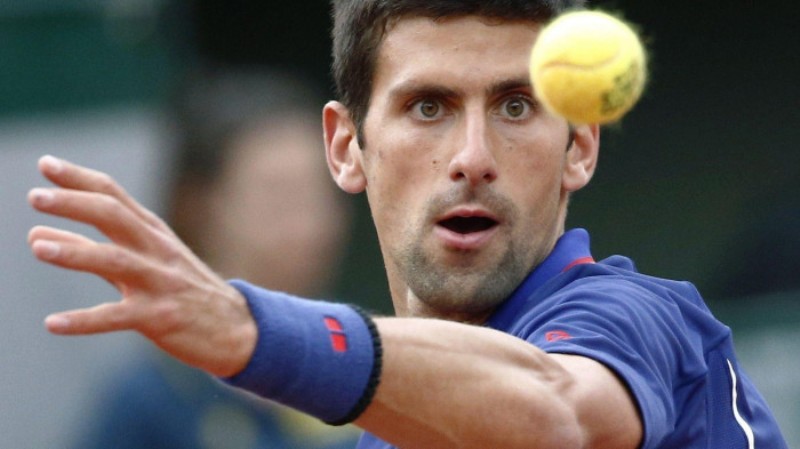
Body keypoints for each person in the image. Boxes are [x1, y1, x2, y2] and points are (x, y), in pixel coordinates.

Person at [28, 1, 788, 448]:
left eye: (515, 106)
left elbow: (552, 414)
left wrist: (248, 329)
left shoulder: (642, 319)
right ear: (346, 147)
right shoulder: (392, 429)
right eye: (428, 107)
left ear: (579, 147)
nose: (472, 158)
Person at [69, 68, 359, 449]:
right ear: (199, 206)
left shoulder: (369, 356)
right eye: (279, 197)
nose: (309, 223)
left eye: (320, 192)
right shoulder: (154, 402)